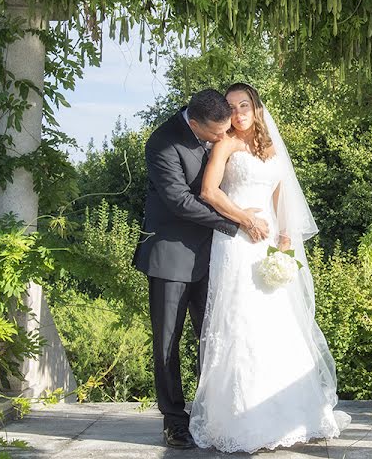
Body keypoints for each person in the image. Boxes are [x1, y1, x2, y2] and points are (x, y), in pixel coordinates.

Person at [188, 82, 349, 453]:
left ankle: (290, 410)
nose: (238, 113)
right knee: (240, 320)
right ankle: (240, 418)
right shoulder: (225, 145)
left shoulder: (273, 148)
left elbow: (281, 195)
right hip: (236, 241)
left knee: (278, 322)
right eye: (231, 107)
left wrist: (286, 237)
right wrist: (245, 219)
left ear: (256, 108)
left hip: (269, 243)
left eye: (244, 105)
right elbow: (209, 192)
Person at [133, 89, 270, 449]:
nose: (222, 137)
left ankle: (211, 411)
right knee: (168, 342)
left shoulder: (216, 123)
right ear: (195, 124)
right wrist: (235, 224)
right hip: (172, 256)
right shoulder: (162, 144)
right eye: (215, 134)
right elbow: (179, 202)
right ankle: (174, 420)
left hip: (217, 256)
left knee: (214, 338)